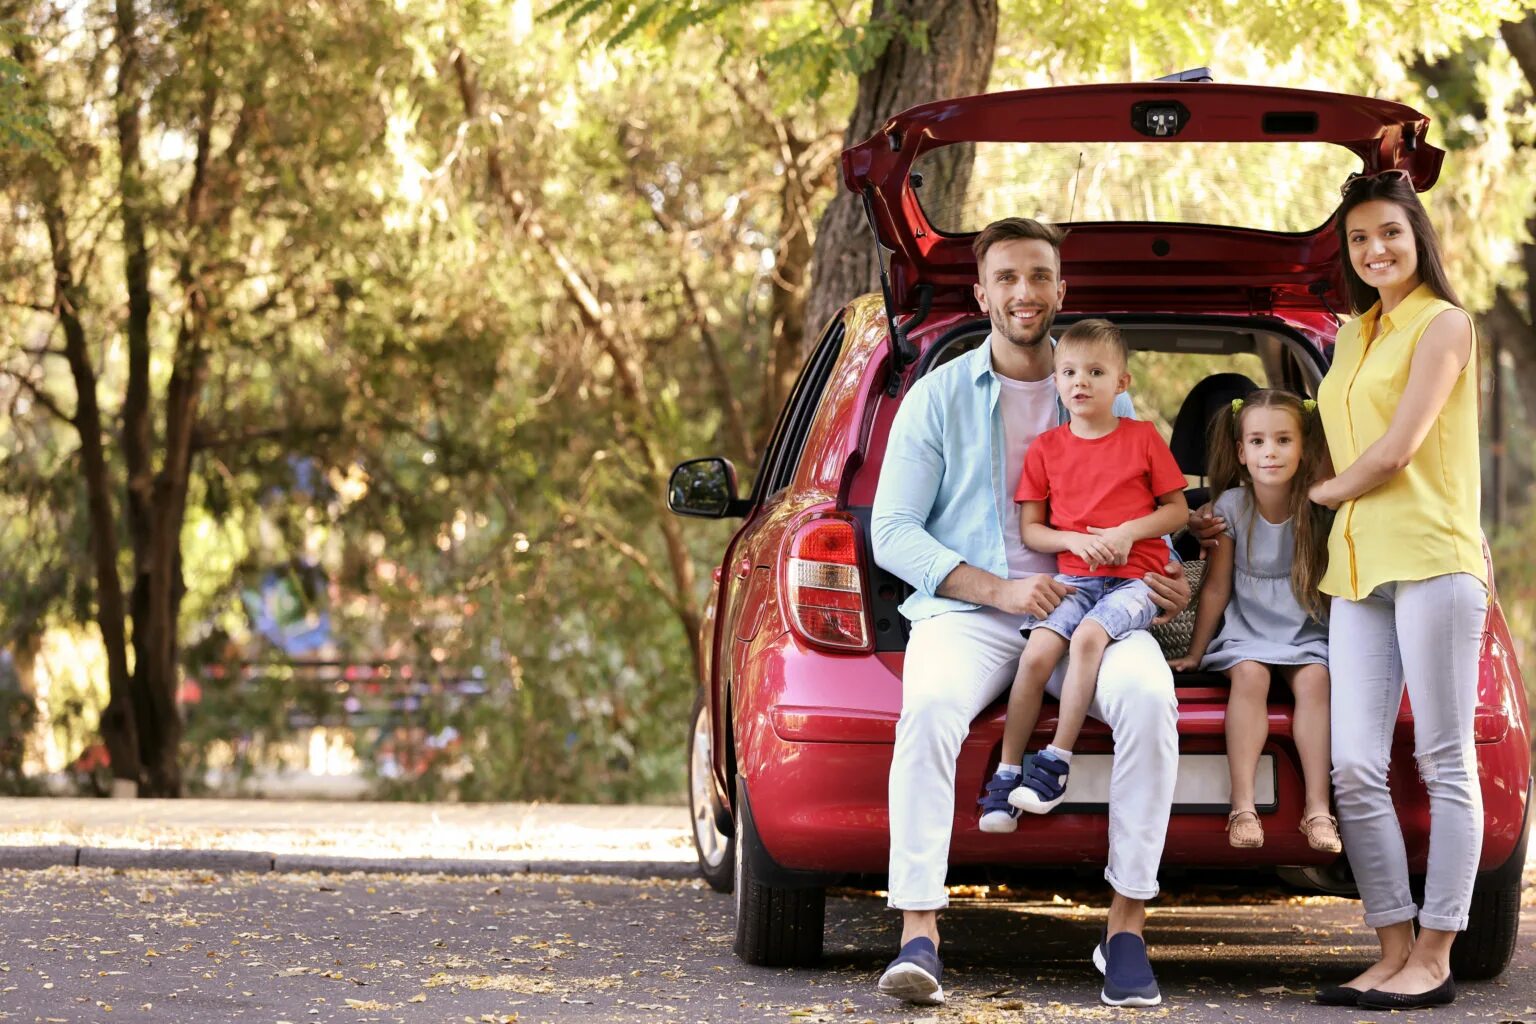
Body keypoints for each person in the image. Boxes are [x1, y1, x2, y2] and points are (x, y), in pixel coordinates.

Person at [870, 217, 1190, 1009]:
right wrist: (997, 588)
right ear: (981, 293)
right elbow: (891, 532)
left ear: (1061, 289)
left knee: (1151, 702)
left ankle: (1124, 931)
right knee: (930, 709)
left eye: (1039, 276)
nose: (1024, 292)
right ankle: (920, 933)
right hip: (974, 612)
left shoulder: (1099, 385)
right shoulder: (937, 397)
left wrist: (1168, 579)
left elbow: (1146, 505)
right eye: (1007, 277)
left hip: (1099, 606)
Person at [1308, 169, 1486, 1011]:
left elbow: (1396, 450)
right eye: (1359, 239)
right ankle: (1392, 947)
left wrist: (1317, 495)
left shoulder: (1444, 325)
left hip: (1432, 560)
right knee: (1352, 766)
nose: (1375, 249)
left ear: (1418, 239)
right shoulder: (1351, 336)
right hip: (1356, 568)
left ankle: (1439, 949)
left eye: (1390, 233)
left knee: (1445, 758)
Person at [978, 320, 1188, 821]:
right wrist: (1073, 539)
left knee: (1089, 638)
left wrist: (1127, 533)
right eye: (1069, 372)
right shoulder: (1047, 449)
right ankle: (1007, 773)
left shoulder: (1142, 438)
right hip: (1075, 578)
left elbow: (1177, 512)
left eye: (1096, 372)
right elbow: (1032, 529)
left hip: (1137, 579)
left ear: (1122, 383)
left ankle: (1055, 762)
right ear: (1055, 380)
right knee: (1036, 655)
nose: (1081, 382)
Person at [1167, 389, 1338, 854]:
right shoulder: (1229, 508)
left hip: (1304, 629)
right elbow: (1218, 589)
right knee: (1249, 675)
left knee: (1316, 682)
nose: (1271, 452)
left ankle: (1318, 810)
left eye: (1284, 440)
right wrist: (1197, 653)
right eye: (1259, 441)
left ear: (1305, 450)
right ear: (1242, 453)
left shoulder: (1318, 507)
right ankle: (1242, 807)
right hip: (1247, 630)